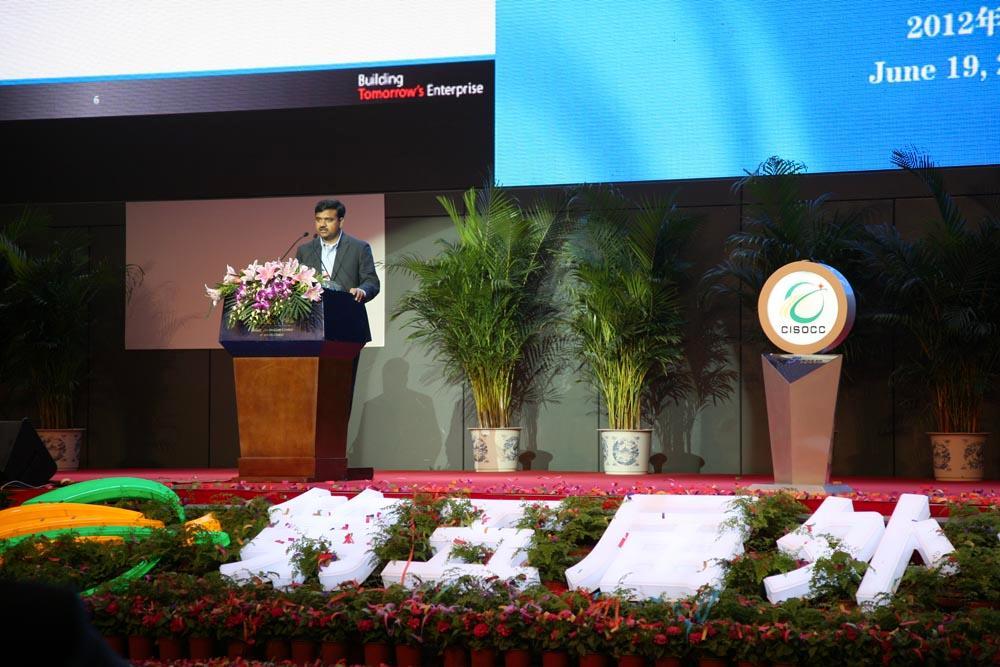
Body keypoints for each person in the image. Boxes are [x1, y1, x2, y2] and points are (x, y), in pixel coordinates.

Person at [295, 199, 380, 304]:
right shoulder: (305, 250)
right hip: (315, 312)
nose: (322, 224)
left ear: (341, 221)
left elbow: (371, 282)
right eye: (318, 219)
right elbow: (296, 284)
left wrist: (361, 291)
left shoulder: (359, 248)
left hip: (348, 310)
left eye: (328, 220)